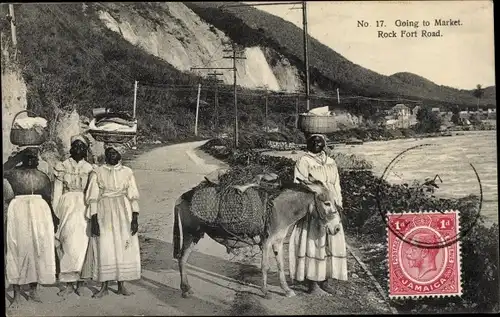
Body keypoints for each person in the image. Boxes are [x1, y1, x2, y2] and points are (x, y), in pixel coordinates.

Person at [289, 134, 348, 295]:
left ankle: (325, 280)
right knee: (313, 243)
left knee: (331, 242)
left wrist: (339, 203)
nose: (316, 143)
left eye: (319, 140)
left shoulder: (331, 162)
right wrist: (315, 192)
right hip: (314, 208)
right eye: (313, 140)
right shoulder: (304, 161)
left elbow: (336, 184)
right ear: (308, 143)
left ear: (324, 144)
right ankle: (313, 283)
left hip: (331, 207)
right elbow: (298, 183)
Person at [3, 147, 58, 308]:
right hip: (19, 211)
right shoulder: (13, 174)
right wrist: (16, 157)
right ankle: (17, 294)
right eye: (28, 157)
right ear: (22, 159)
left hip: (41, 213)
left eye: (34, 157)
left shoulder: (43, 176)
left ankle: (34, 289)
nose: (32, 160)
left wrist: (54, 218)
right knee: (18, 249)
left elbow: (48, 198)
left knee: (38, 249)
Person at [86, 143, 141, 298]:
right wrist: (94, 219)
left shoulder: (127, 172)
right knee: (105, 245)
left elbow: (133, 195)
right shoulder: (98, 172)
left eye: (115, 152)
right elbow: (93, 198)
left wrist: (135, 217)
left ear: (120, 155)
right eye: (109, 152)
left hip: (124, 210)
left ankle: (121, 284)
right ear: (105, 155)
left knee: (123, 244)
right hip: (105, 210)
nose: (112, 155)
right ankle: (103, 285)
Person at [53, 135, 95, 296]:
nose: (78, 149)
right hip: (66, 205)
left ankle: (82, 280)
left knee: (83, 241)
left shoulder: (90, 168)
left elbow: (92, 192)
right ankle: (69, 282)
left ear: (86, 150)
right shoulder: (62, 166)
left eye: (82, 147)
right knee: (67, 241)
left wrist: (91, 210)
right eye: (75, 146)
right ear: (70, 149)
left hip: (83, 206)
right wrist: (57, 210)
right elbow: (57, 191)